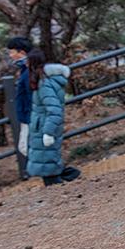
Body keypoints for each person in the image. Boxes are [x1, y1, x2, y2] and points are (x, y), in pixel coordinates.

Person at [25, 49, 81, 186]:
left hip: (45, 127)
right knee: (47, 161)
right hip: (42, 126)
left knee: (47, 164)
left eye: (27, 61)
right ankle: (69, 177)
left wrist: (48, 132)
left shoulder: (44, 84)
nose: (25, 64)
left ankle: (60, 186)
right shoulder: (43, 80)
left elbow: (54, 110)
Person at [5, 37, 32, 174]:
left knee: (26, 146)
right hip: (27, 113)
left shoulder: (28, 70)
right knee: (27, 146)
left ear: (21, 52)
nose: (10, 56)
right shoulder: (24, 69)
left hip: (29, 113)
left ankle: (53, 173)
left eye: (12, 52)